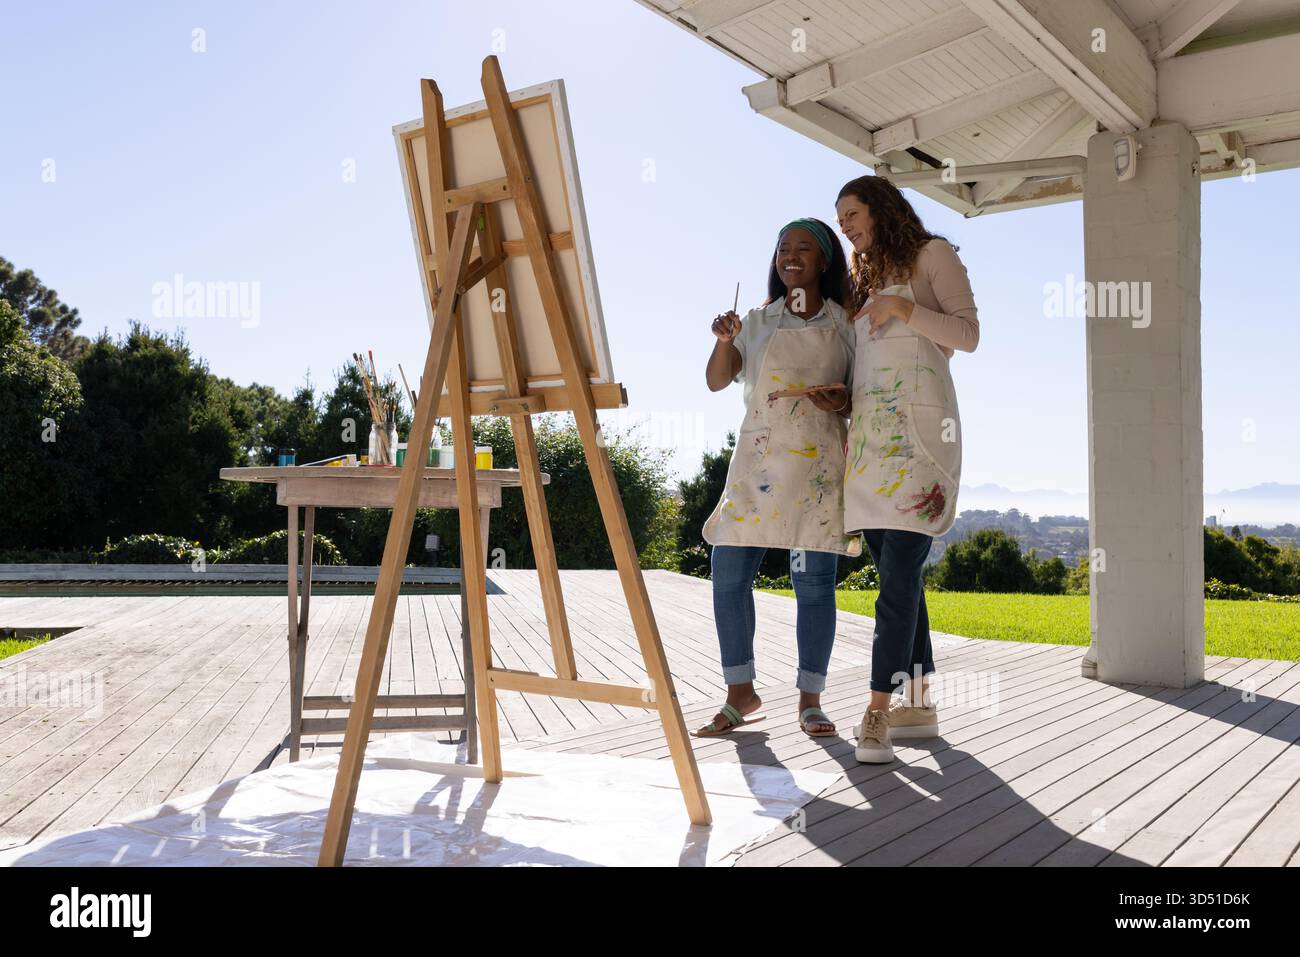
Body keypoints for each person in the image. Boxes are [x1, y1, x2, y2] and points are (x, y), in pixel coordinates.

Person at [695, 218, 862, 739]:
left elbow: (860, 394)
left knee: (812, 585)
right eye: (783, 249)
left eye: (803, 248)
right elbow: (717, 380)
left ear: (824, 261)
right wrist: (725, 339)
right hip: (758, 461)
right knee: (728, 571)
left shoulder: (846, 324)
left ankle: (811, 699)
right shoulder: (755, 321)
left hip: (816, 466)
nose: (790, 256)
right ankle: (740, 691)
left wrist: (841, 399)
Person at [834, 176, 979, 763]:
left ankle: (876, 713)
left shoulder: (932, 255)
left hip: (921, 439)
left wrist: (904, 307)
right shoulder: (862, 278)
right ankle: (917, 701)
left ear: (881, 208)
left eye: (852, 213)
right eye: (840, 218)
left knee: (894, 583)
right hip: (870, 441)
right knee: (899, 575)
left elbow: (969, 335)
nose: (845, 225)